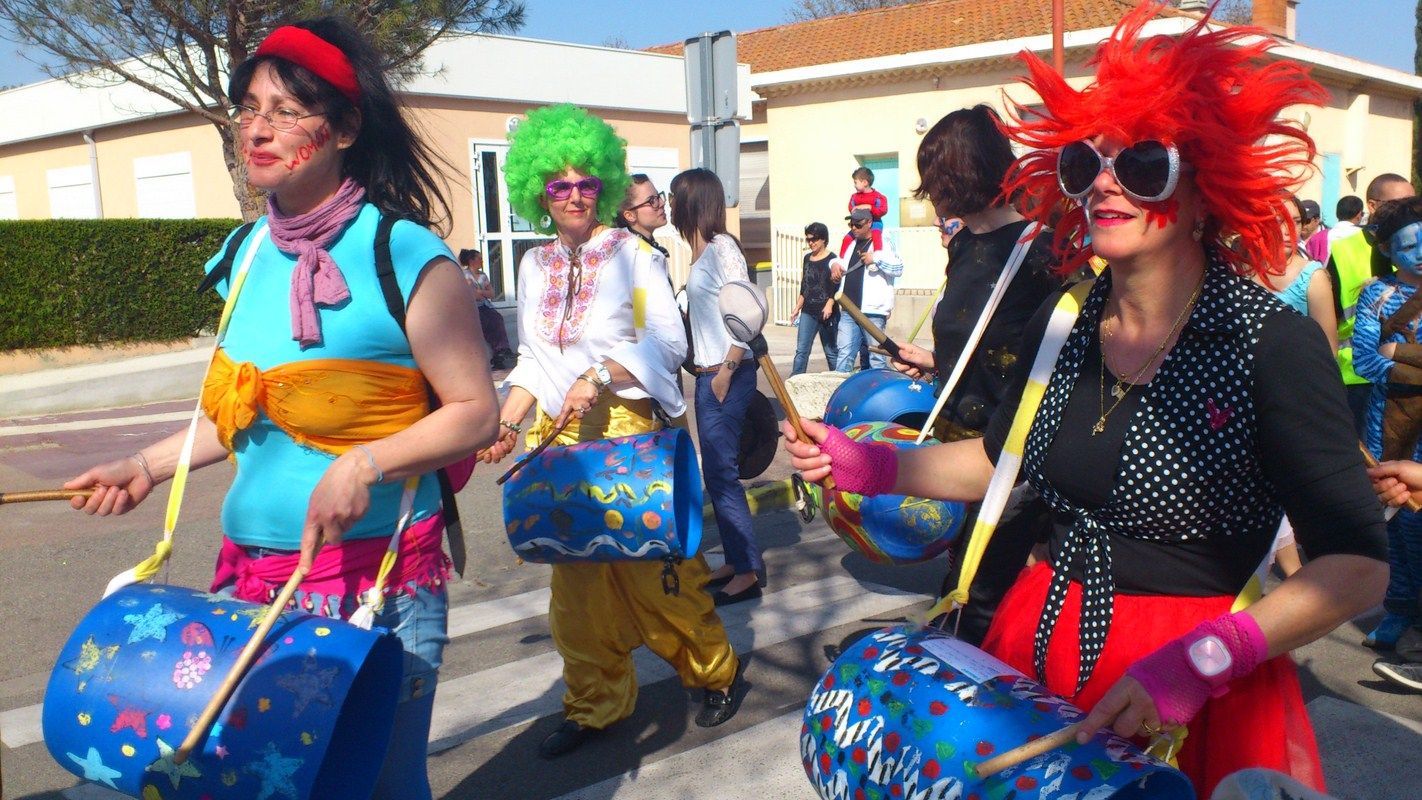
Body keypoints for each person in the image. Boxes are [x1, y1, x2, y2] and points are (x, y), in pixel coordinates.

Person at [784, 5, 1386, 797]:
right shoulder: (1064, 318)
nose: (1105, 182)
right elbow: (1000, 462)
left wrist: (1202, 662)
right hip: (1038, 644)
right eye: (1084, 164)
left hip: (1189, 683)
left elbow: (1356, 566)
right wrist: (872, 466)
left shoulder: (1269, 342)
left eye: (1142, 164)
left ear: (1206, 189)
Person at [62, 18, 500, 798]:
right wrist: (145, 467)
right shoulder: (245, 255)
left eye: (287, 111)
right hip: (250, 581)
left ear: (345, 128)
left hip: (379, 583)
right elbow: (241, 413)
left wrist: (364, 464)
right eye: (249, 109)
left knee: (379, 786)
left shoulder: (403, 253)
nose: (258, 129)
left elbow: (474, 411)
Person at [479, 106, 743, 758]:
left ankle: (713, 672)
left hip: (627, 437)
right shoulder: (533, 266)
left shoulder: (634, 259)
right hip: (560, 445)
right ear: (538, 191)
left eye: (586, 184)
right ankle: (594, 705)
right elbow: (534, 360)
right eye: (558, 185)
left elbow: (661, 339)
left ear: (604, 186)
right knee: (577, 596)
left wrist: (599, 373)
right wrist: (506, 422)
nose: (573, 196)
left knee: (660, 579)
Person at [885, 104, 1062, 645]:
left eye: (934, 176)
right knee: (966, 588)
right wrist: (932, 360)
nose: (930, 192)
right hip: (958, 450)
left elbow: (1051, 357)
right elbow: (980, 336)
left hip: (1012, 460)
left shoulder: (1042, 251)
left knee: (976, 602)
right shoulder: (964, 245)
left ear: (960, 174)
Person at [671, 167, 766, 605]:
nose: (670, 204)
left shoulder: (722, 247)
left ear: (694, 201)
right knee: (715, 472)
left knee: (723, 474)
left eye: (675, 196)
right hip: (709, 374)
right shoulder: (700, 252)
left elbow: (746, 310)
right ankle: (735, 559)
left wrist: (727, 368)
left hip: (726, 373)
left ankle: (746, 572)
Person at [1351, 196, 1422, 651]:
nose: (1420, 253)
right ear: (1388, 250)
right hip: (1386, 424)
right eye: (1409, 246)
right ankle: (1398, 609)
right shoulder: (1376, 295)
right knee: (1395, 519)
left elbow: (1382, 357)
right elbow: (1364, 361)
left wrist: (1397, 352)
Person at [1328, 175, 1417, 436]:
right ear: (1372, 205)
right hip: (1359, 382)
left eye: (1412, 203)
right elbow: (1328, 319)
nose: (1407, 211)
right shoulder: (1344, 251)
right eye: (1398, 204)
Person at [834, 207, 903, 372]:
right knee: (844, 355)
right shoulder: (850, 243)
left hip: (873, 312)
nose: (854, 228)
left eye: (858, 225)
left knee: (876, 357)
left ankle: (877, 387)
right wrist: (834, 265)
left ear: (870, 223)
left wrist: (876, 259)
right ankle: (840, 387)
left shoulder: (882, 242)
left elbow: (898, 268)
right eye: (851, 224)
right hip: (849, 309)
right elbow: (839, 261)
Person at [790, 221, 841, 376]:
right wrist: (797, 307)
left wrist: (829, 304)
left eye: (814, 239)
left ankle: (838, 381)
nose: (811, 243)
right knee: (802, 350)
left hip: (827, 312)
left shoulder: (833, 260)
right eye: (808, 239)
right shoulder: (807, 258)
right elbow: (805, 285)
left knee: (831, 351)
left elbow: (836, 286)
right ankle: (795, 382)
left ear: (823, 239)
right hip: (808, 311)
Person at [458, 247, 516, 369]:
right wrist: (482, 293)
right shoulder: (464, 275)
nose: (482, 261)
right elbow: (474, 295)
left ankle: (503, 351)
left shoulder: (483, 275)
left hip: (485, 306)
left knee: (497, 318)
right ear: (471, 260)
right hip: (472, 308)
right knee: (485, 322)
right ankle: (499, 353)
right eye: (479, 258)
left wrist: (480, 291)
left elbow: (492, 294)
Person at [615, 172, 671, 257]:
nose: (662, 203)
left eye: (658, 196)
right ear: (630, 215)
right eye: (652, 200)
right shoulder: (632, 255)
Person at [839, 165, 888, 254]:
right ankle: (842, 258)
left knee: (876, 236)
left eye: (856, 182)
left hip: (875, 222)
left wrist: (869, 207)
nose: (854, 185)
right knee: (846, 239)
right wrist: (857, 210)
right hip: (858, 223)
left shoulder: (878, 197)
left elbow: (883, 210)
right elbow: (851, 208)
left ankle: (877, 256)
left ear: (865, 182)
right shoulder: (854, 197)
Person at [1298, 199, 1328, 264]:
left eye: (1307, 221)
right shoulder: (1290, 240)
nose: (1303, 224)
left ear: (1317, 220)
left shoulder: (1329, 238)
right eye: (1300, 220)